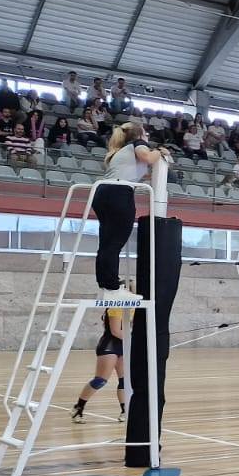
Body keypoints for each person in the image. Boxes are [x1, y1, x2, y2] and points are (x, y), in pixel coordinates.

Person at [93, 120, 166, 301]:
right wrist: (160, 151)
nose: (147, 138)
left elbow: (140, 170)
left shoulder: (120, 152)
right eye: (146, 134)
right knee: (114, 243)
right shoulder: (138, 144)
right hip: (118, 194)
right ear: (140, 135)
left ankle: (105, 285)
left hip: (103, 193)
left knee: (107, 243)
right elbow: (147, 158)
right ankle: (112, 288)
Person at [71, 305, 128, 422]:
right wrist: (136, 339)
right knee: (100, 380)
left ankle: (125, 411)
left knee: (125, 381)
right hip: (109, 346)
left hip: (124, 346)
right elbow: (116, 331)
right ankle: (78, 408)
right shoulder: (116, 307)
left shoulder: (135, 307)